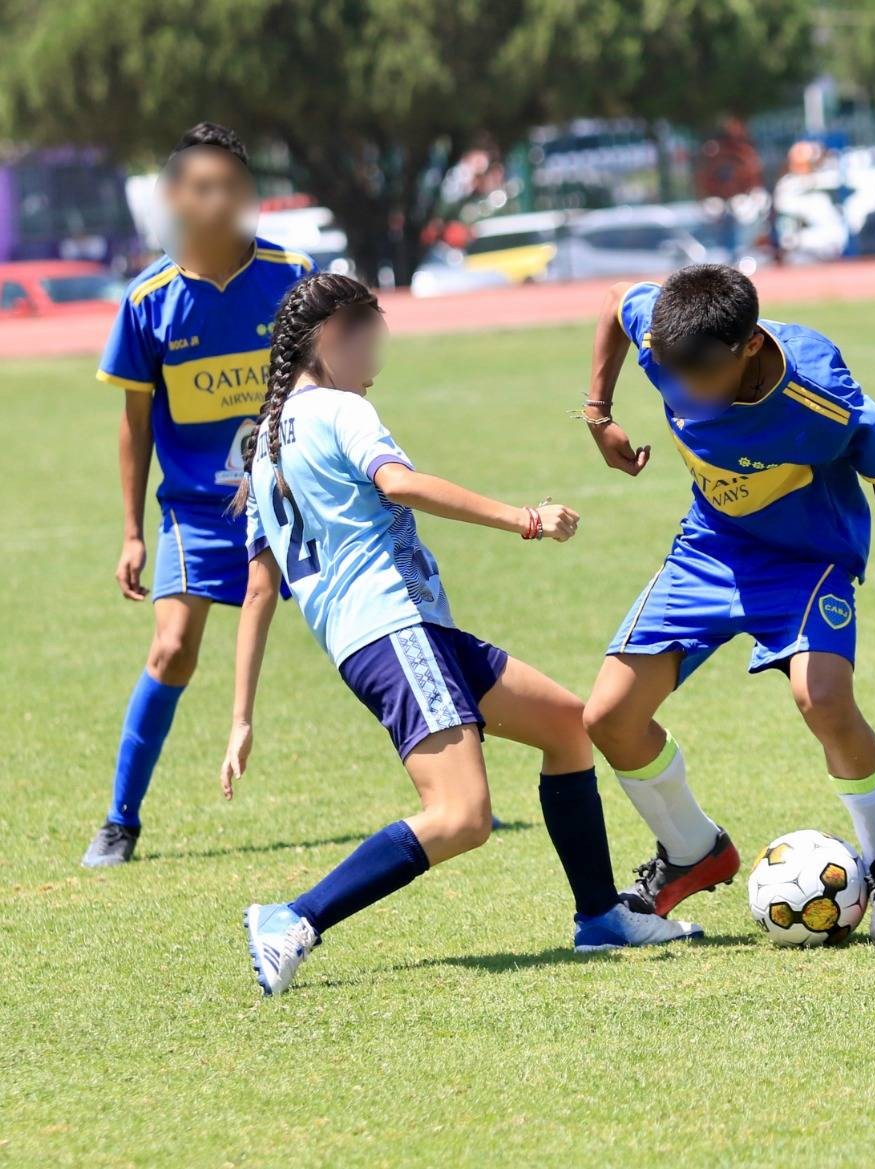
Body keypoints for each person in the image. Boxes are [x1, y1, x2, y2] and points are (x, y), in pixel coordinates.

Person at [220, 273, 700, 995]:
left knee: (569, 726)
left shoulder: (262, 444)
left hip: (399, 632)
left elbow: (261, 587)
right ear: (331, 336)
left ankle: (600, 916)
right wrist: (523, 517)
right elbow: (399, 484)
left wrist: (240, 717)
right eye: (370, 334)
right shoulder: (339, 410)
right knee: (463, 815)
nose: (377, 353)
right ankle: (293, 916)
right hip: (392, 626)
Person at [578, 265, 875, 947]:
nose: (683, 389)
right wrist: (598, 413)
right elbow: (614, 300)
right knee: (608, 716)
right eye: (670, 371)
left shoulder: (822, 399)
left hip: (806, 559)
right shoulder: (672, 337)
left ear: (750, 345)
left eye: (700, 375)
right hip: (711, 549)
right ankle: (694, 850)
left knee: (824, 700)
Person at [84, 124, 316, 867]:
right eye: (202, 187)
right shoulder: (147, 302)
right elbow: (134, 426)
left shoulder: (294, 276)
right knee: (173, 648)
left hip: (294, 500)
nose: (220, 202)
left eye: (233, 187)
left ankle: (453, 772)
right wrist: (130, 530)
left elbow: (337, 382)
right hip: (197, 511)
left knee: (376, 626)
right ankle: (120, 820)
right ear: (177, 198)